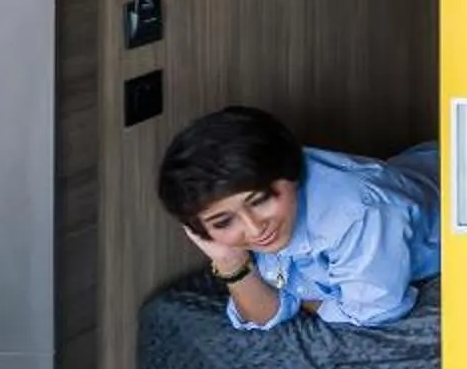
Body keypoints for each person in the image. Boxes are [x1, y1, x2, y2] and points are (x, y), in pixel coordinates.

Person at [156, 106, 441, 332]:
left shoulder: (358, 215)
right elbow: (265, 313)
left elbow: (373, 314)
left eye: (260, 201)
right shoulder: (267, 208)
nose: (254, 228)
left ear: (291, 174)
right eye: (222, 222)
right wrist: (229, 261)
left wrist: (306, 304)